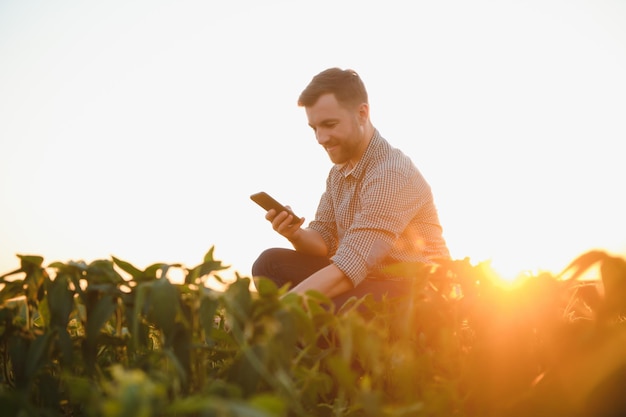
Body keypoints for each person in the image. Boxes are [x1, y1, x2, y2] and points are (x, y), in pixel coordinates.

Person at [252, 67, 450, 310]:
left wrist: (274, 313)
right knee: (269, 263)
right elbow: (324, 239)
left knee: (326, 300)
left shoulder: (391, 173)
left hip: (417, 295)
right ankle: (303, 338)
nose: (320, 138)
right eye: (314, 128)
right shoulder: (339, 173)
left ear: (362, 114)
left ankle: (294, 332)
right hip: (368, 281)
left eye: (329, 124)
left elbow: (349, 267)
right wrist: (296, 233)